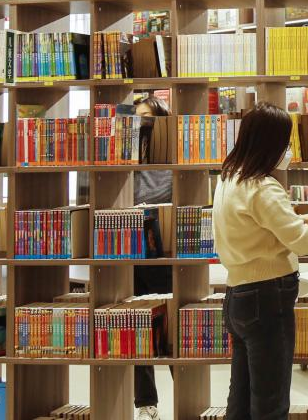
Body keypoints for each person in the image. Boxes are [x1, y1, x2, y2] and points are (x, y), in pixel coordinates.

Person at [213, 102, 308, 420]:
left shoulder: (229, 178)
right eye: (285, 142)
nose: (288, 150)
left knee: (240, 400)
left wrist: (301, 218)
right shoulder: (263, 186)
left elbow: (256, 225)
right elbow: (302, 242)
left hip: (238, 296)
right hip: (267, 298)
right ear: (271, 144)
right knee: (270, 404)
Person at [132, 95, 174, 420]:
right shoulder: (129, 157)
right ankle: (146, 404)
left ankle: (188, 395)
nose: (141, 124)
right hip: (131, 252)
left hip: (166, 255)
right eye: (137, 118)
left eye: (147, 118)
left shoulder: (172, 159)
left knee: (171, 330)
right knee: (136, 329)